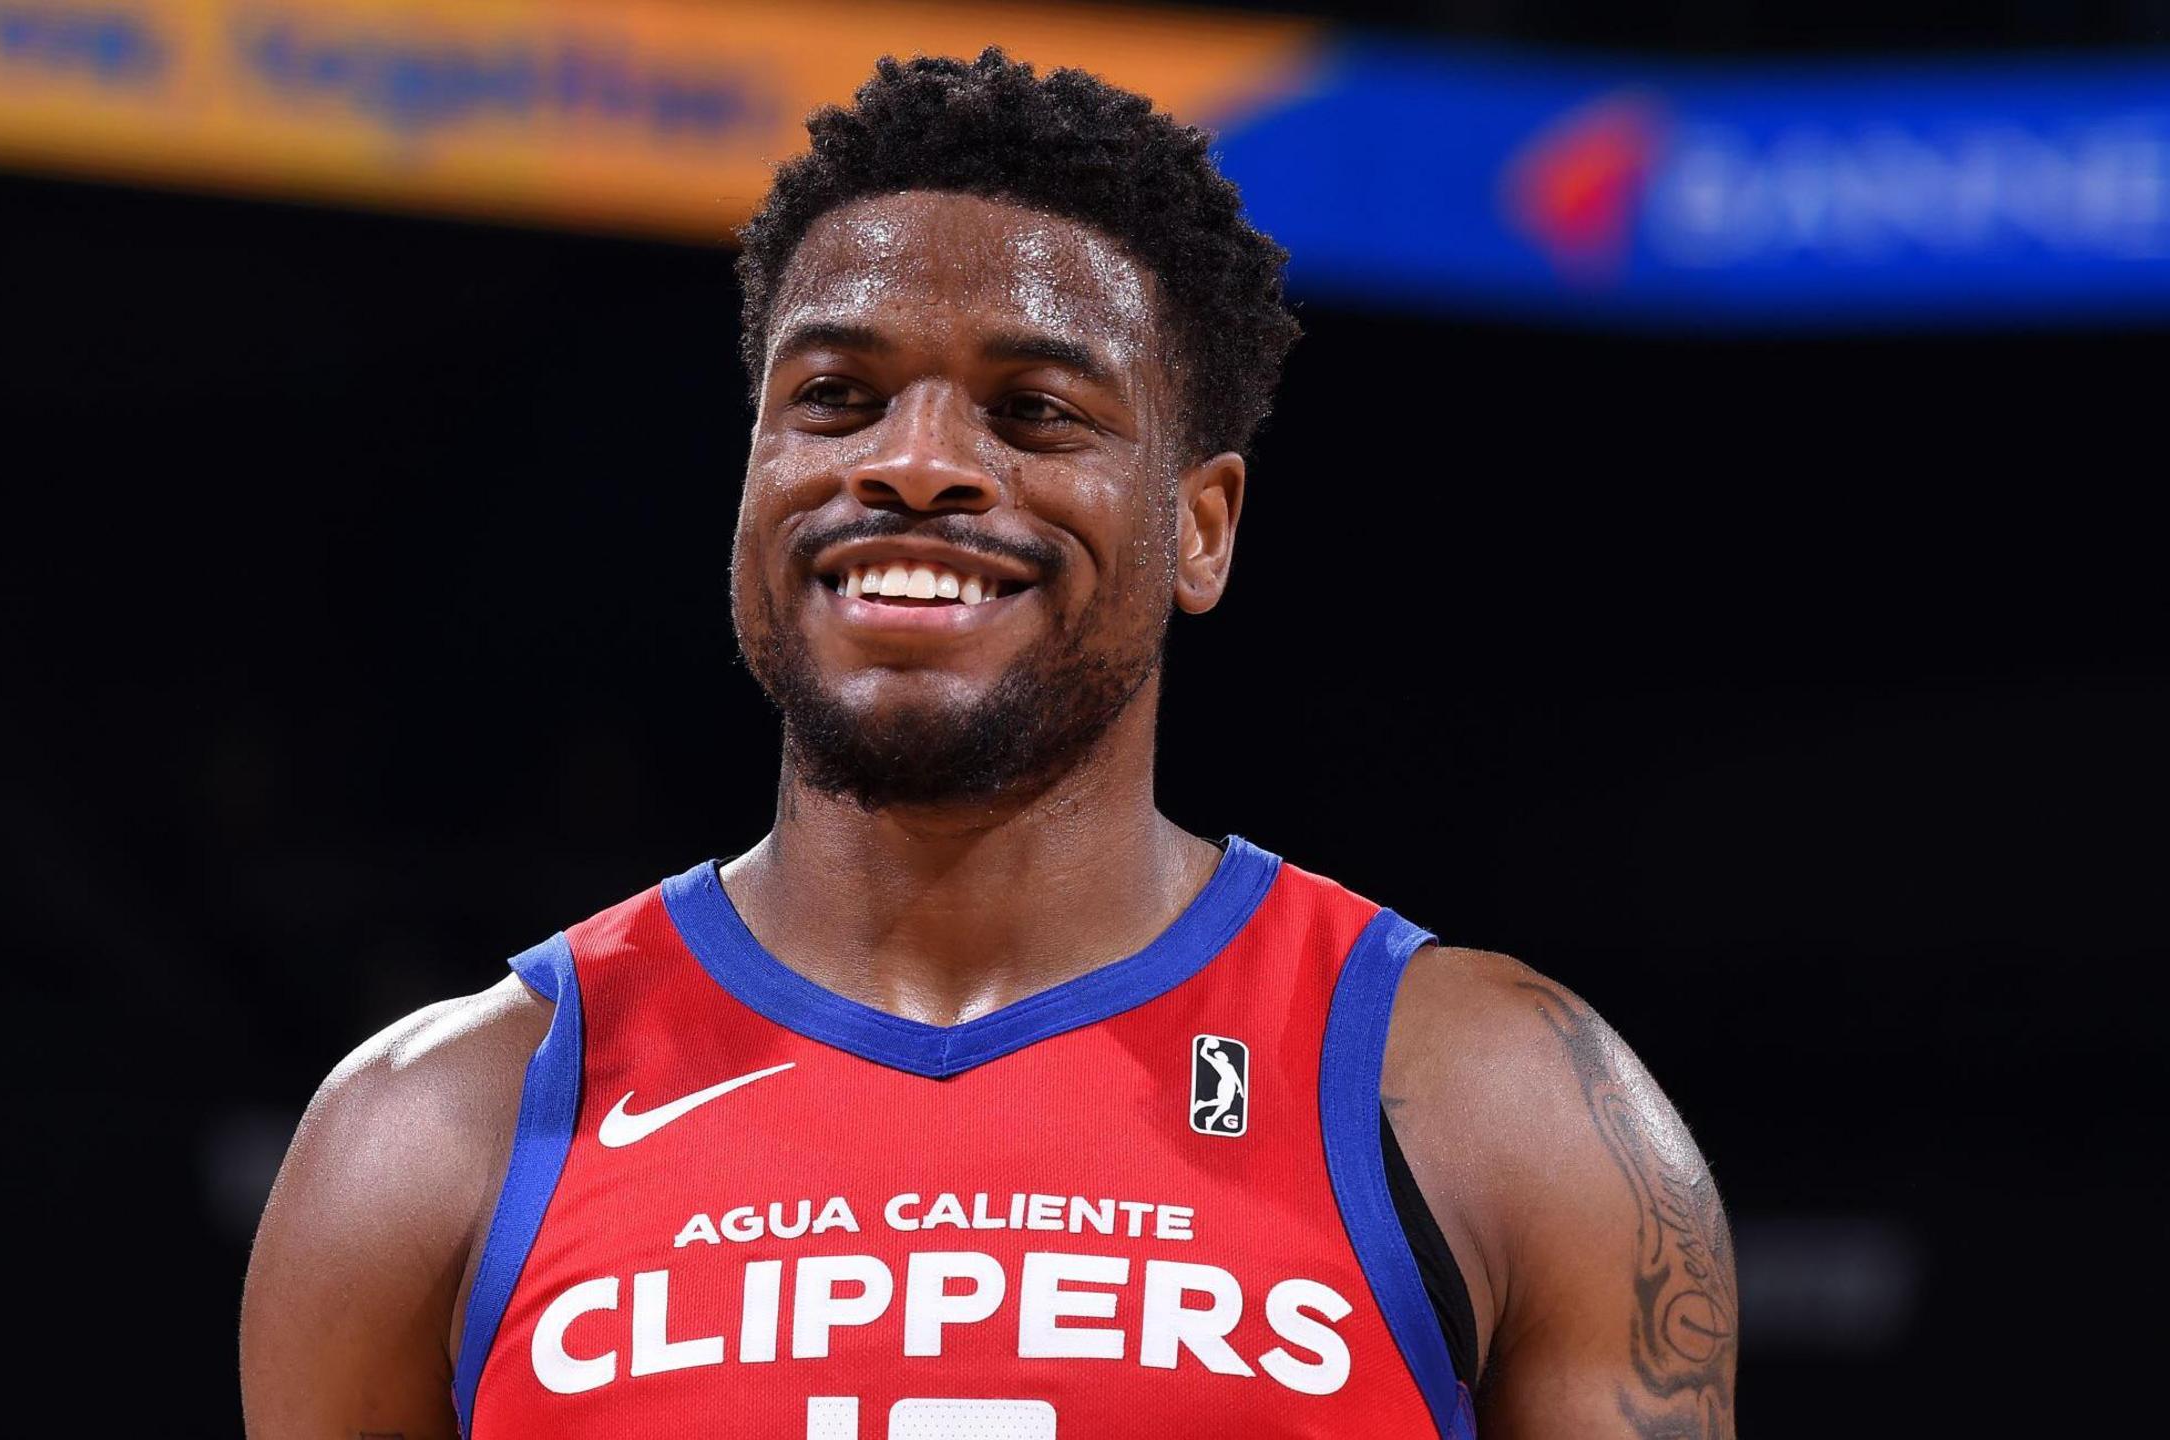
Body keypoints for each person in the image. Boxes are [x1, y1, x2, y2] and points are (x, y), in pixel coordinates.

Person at [241, 49, 1736, 1440]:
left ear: (1200, 526)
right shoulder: (434, 1131)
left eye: (1033, 411)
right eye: (837, 398)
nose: (915, 465)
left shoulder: (1495, 1100)